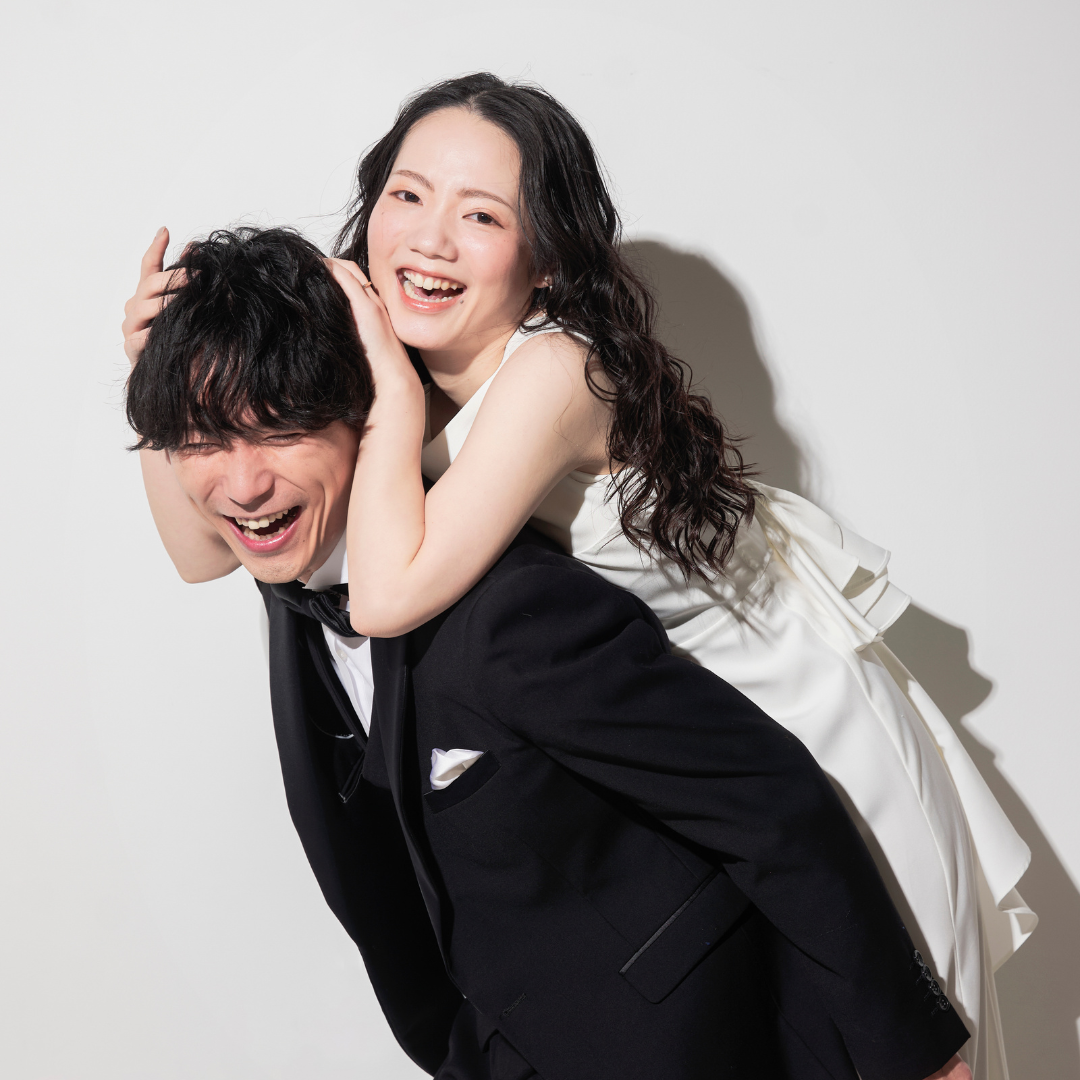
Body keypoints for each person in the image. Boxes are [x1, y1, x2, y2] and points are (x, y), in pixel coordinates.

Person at [124, 224, 972, 1080]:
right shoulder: (288, 574)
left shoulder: (510, 613)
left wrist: (917, 1054)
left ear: (363, 416)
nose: (244, 486)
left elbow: (769, 800)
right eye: (203, 440)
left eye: (279, 431)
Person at [318, 74, 1028, 1079]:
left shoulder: (552, 371)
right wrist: (153, 374)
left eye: (480, 215)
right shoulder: (432, 371)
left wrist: (387, 394)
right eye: (408, 194)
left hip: (823, 755)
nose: (429, 239)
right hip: (732, 766)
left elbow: (385, 598)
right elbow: (207, 549)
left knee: (911, 1057)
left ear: (548, 261)